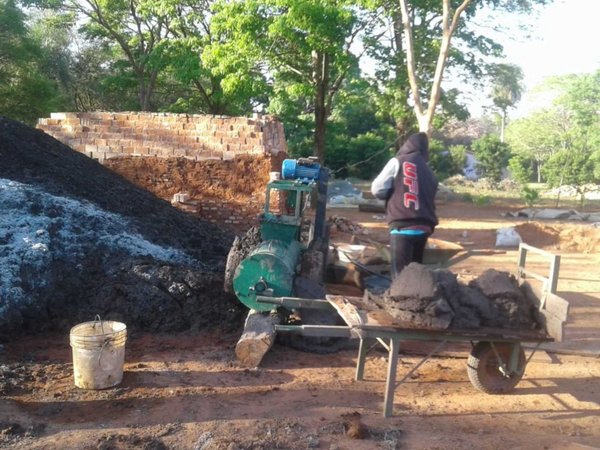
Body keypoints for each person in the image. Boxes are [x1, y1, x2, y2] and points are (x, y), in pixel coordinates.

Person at [371, 132, 438, 279]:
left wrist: (389, 195)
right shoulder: (428, 171)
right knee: (415, 275)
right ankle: (417, 300)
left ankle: (400, 300)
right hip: (424, 227)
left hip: (402, 225)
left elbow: (377, 188)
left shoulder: (398, 161)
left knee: (400, 278)